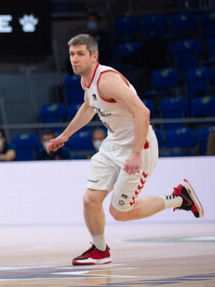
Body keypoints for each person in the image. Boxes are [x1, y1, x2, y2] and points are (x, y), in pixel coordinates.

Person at [49, 34, 204, 266]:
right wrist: (65, 135)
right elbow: (88, 106)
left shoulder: (107, 80)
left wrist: (136, 154)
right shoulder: (86, 81)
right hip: (113, 144)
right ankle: (100, 250)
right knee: (90, 199)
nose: (74, 59)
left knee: (120, 212)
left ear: (94, 56)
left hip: (139, 145)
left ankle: (179, 199)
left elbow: (143, 112)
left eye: (80, 54)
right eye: (72, 54)